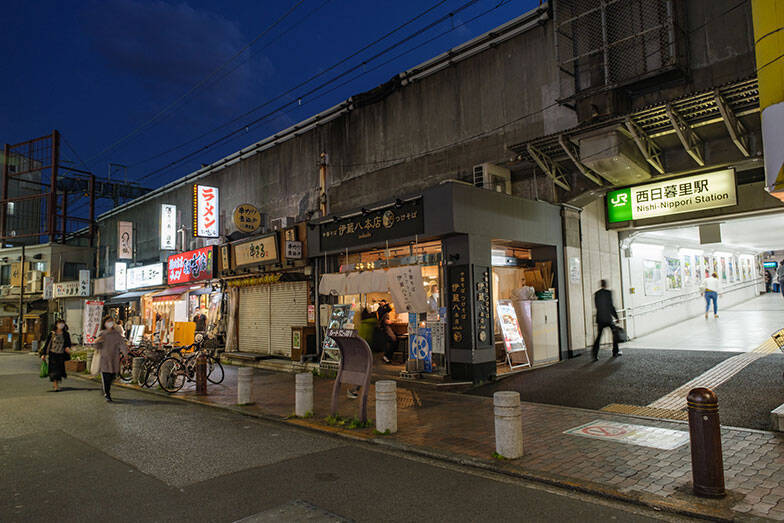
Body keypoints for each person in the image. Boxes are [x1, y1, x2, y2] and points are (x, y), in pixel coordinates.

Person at [94, 315, 128, 402]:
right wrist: (97, 341)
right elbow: (97, 346)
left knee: (112, 377)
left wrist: (125, 354)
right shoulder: (102, 333)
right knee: (106, 377)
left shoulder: (116, 334)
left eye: (111, 321)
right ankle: (107, 394)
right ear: (104, 323)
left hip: (114, 359)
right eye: (108, 321)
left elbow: (122, 344)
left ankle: (106, 388)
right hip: (104, 359)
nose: (110, 323)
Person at [591, 279, 621, 361]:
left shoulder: (597, 294)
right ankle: (615, 351)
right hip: (608, 318)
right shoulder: (608, 293)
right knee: (614, 334)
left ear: (601, 285)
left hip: (600, 318)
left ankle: (594, 354)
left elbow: (597, 306)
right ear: (606, 284)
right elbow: (611, 306)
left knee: (599, 336)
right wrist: (616, 317)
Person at [39, 320, 72, 392]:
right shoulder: (52, 334)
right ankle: (56, 385)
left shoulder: (66, 334)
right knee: (54, 370)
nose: (61, 325)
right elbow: (47, 344)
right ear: (56, 325)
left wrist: (68, 349)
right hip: (53, 354)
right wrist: (43, 354)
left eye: (62, 323)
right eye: (59, 323)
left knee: (59, 370)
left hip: (61, 354)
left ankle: (56, 383)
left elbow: (68, 344)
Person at [377, 300, 397, 364]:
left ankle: (387, 356)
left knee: (391, 341)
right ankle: (387, 356)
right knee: (393, 340)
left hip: (384, 328)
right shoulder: (382, 310)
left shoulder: (381, 310)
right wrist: (393, 321)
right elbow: (386, 321)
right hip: (385, 328)